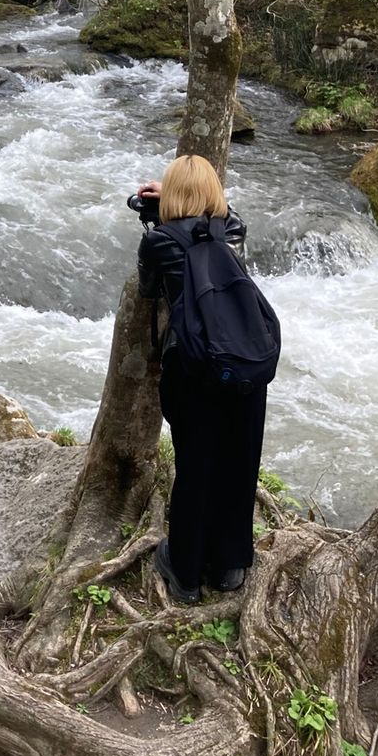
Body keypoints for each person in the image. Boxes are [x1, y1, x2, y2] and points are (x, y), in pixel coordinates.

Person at [133, 154, 267, 605]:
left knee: (195, 466)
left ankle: (186, 574)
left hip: (193, 368)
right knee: (240, 463)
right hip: (245, 364)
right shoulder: (232, 233)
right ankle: (230, 566)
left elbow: (149, 289)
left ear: (170, 195)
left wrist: (156, 212)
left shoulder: (159, 244)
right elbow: (223, 221)